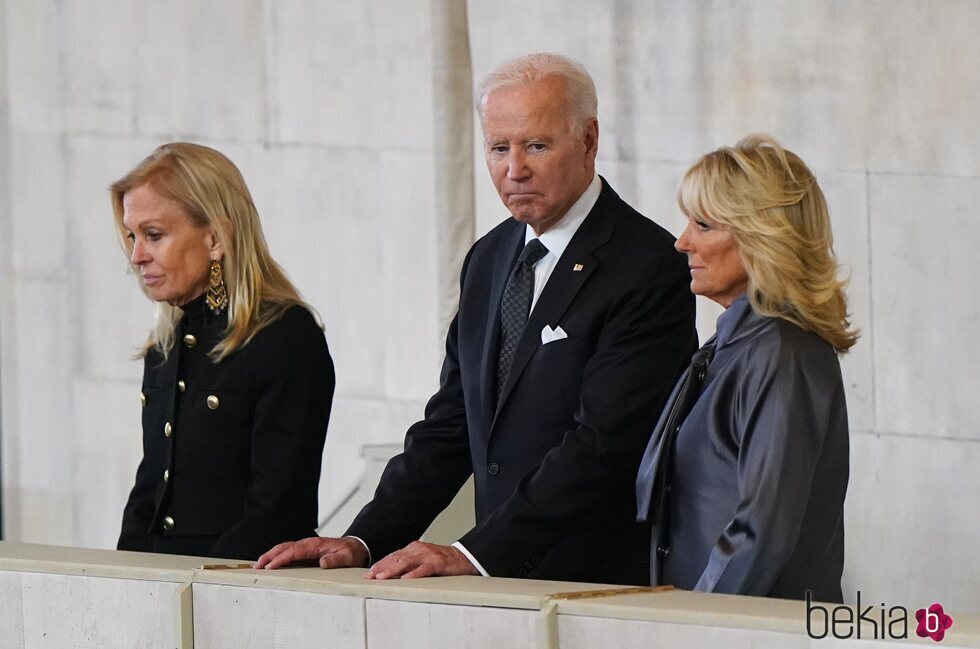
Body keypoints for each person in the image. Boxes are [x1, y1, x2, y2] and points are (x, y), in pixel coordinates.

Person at [257, 53, 697, 584]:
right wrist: (363, 540)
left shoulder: (646, 264)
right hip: (499, 586)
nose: (515, 169)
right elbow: (451, 423)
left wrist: (474, 554)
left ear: (588, 141)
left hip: (599, 586)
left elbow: (602, 445)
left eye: (536, 145)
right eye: (498, 148)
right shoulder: (488, 259)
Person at [636, 134, 858, 601]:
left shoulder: (780, 353)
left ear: (761, 237)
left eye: (703, 224)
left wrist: (693, 627)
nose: (682, 242)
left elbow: (762, 528)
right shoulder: (739, 344)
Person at [113, 142, 335, 561]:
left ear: (215, 238)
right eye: (132, 236)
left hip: (240, 587)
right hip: (165, 588)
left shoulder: (285, 337)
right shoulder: (165, 346)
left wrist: (202, 585)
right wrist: (125, 578)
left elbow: (280, 508)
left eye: (154, 235)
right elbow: (149, 493)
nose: (137, 256)